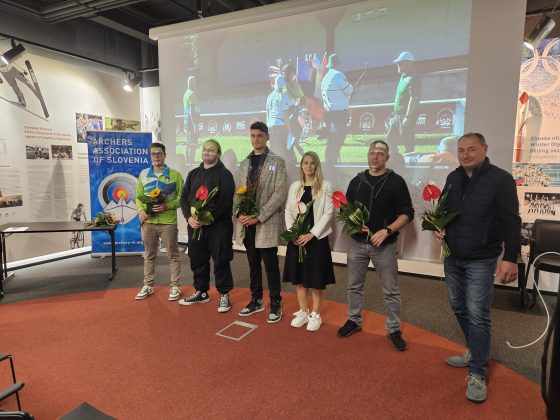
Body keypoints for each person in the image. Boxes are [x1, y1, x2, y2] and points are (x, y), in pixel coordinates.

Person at [433, 132, 521, 403]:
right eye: (461, 150)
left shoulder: (501, 179)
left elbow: (511, 220)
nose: (465, 155)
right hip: (453, 257)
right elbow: (444, 212)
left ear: (484, 149)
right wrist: (439, 227)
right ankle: (475, 350)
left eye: (471, 149)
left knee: (478, 314)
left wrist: (510, 258)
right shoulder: (453, 178)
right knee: (459, 307)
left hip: (482, 259)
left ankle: (478, 373)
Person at [337, 140, 414, 352]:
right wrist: (354, 224)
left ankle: (393, 329)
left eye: (380, 153)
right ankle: (354, 320)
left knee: (390, 290)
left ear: (387, 157)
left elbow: (407, 213)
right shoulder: (356, 181)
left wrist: (387, 230)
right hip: (357, 244)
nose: (375, 156)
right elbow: (345, 210)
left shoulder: (396, 182)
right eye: (372, 152)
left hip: (385, 245)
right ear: (368, 155)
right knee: (354, 285)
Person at [236, 121, 287, 323]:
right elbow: (238, 192)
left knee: (270, 265)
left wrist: (259, 216)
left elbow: (279, 193)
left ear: (267, 137)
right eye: (253, 135)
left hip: (266, 222)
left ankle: (275, 303)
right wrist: (239, 213)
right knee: (253, 265)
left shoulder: (278, 162)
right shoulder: (244, 163)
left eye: (259, 135)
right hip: (247, 224)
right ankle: (256, 300)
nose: (256, 139)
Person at [179, 139, 236, 312]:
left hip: (218, 227)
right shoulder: (193, 174)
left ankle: (224, 294)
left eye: (211, 150)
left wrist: (207, 218)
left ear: (218, 153)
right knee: (197, 259)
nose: (207, 152)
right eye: (204, 149)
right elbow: (184, 198)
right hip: (195, 225)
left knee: (221, 260)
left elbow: (226, 202)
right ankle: (201, 292)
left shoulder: (225, 174)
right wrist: (189, 217)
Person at [283, 151, 335, 331]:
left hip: (316, 239)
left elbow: (328, 213)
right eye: (305, 162)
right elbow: (288, 211)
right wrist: (293, 233)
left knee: (316, 278)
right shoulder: (295, 186)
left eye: (312, 163)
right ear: (301, 165)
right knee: (299, 278)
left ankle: (315, 314)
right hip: (297, 239)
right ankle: (303, 311)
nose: (309, 166)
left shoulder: (325, 186)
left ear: (317, 165)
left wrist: (311, 234)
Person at [135, 143, 184, 301]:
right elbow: (138, 196)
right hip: (148, 222)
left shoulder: (175, 175)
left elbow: (182, 198)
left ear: (164, 155)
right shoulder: (144, 174)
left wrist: (167, 206)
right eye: (153, 154)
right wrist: (141, 210)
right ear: (150, 156)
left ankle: (175, 286)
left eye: (159, 153)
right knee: (149, 255)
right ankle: (148, 285)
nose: (156, 156)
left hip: (168, 222)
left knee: (173, 255)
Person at [320, 53, 353, 168]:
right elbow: (348, 91)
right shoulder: (338, 75)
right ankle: (332, 163)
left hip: (328, 113)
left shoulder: (325, 78)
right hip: (339, 114)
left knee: (331, 139)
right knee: (338, 138)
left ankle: (329, 163)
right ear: (337, 64)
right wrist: (351, 86)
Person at [386, 51, 420, 153]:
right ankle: (395, 159)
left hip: (406, 115)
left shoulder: (414, 77)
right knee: (390, 139)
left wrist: (408, 117)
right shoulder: (403, 76)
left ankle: (409, 161)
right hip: (397, 115)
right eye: (398, 63)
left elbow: (413, 98)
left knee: (407, 142)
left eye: (400, 63)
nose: (398, 65)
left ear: (408, 63)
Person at [266, 75, 293, 165]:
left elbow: (267, 113)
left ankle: (271, 166)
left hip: (270, 125)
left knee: (272, 148)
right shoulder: (284, 96)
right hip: (280, 125)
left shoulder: (269, 96)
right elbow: (286, 115)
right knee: (282, 148)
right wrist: (289, 129)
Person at [183, 75, 201, 166]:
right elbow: (192, 111)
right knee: (193, 143)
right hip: (191, 123)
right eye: (195, 82)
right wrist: (195, 126)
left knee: (189, 143)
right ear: (191, 84)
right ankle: (191, 161)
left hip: (186, 122)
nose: (196, 84)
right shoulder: (192, 94)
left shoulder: (186, 93)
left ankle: (188, 161)